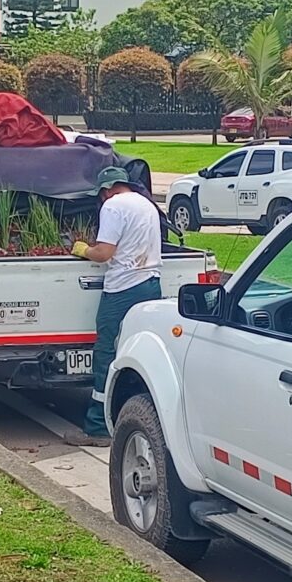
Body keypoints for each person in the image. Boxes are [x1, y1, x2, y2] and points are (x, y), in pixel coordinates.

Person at [74, 163, 165, 440]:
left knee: (105, 353)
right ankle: (135, 418)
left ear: (105, 190)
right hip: (150, 284)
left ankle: (98, 426)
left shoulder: (112, 207)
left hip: (123, 288)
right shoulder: (146, 204)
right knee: (136, 354)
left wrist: (83, 249)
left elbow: (104, 253)